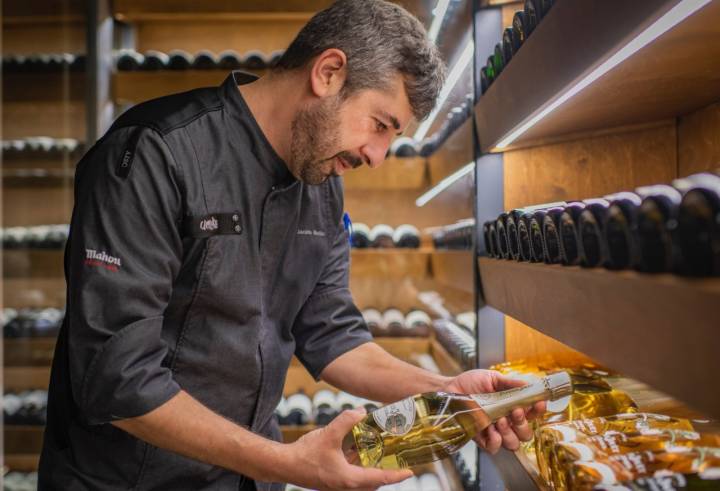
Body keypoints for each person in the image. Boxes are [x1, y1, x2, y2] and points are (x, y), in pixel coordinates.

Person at [39, 1, 544, 489]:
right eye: (380, 125)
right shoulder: (156, 152)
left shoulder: (320, 185)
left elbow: (332, 334)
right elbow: (116, 377)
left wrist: (446, 393)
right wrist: (286, 463)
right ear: (328, 73)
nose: (377, 156)